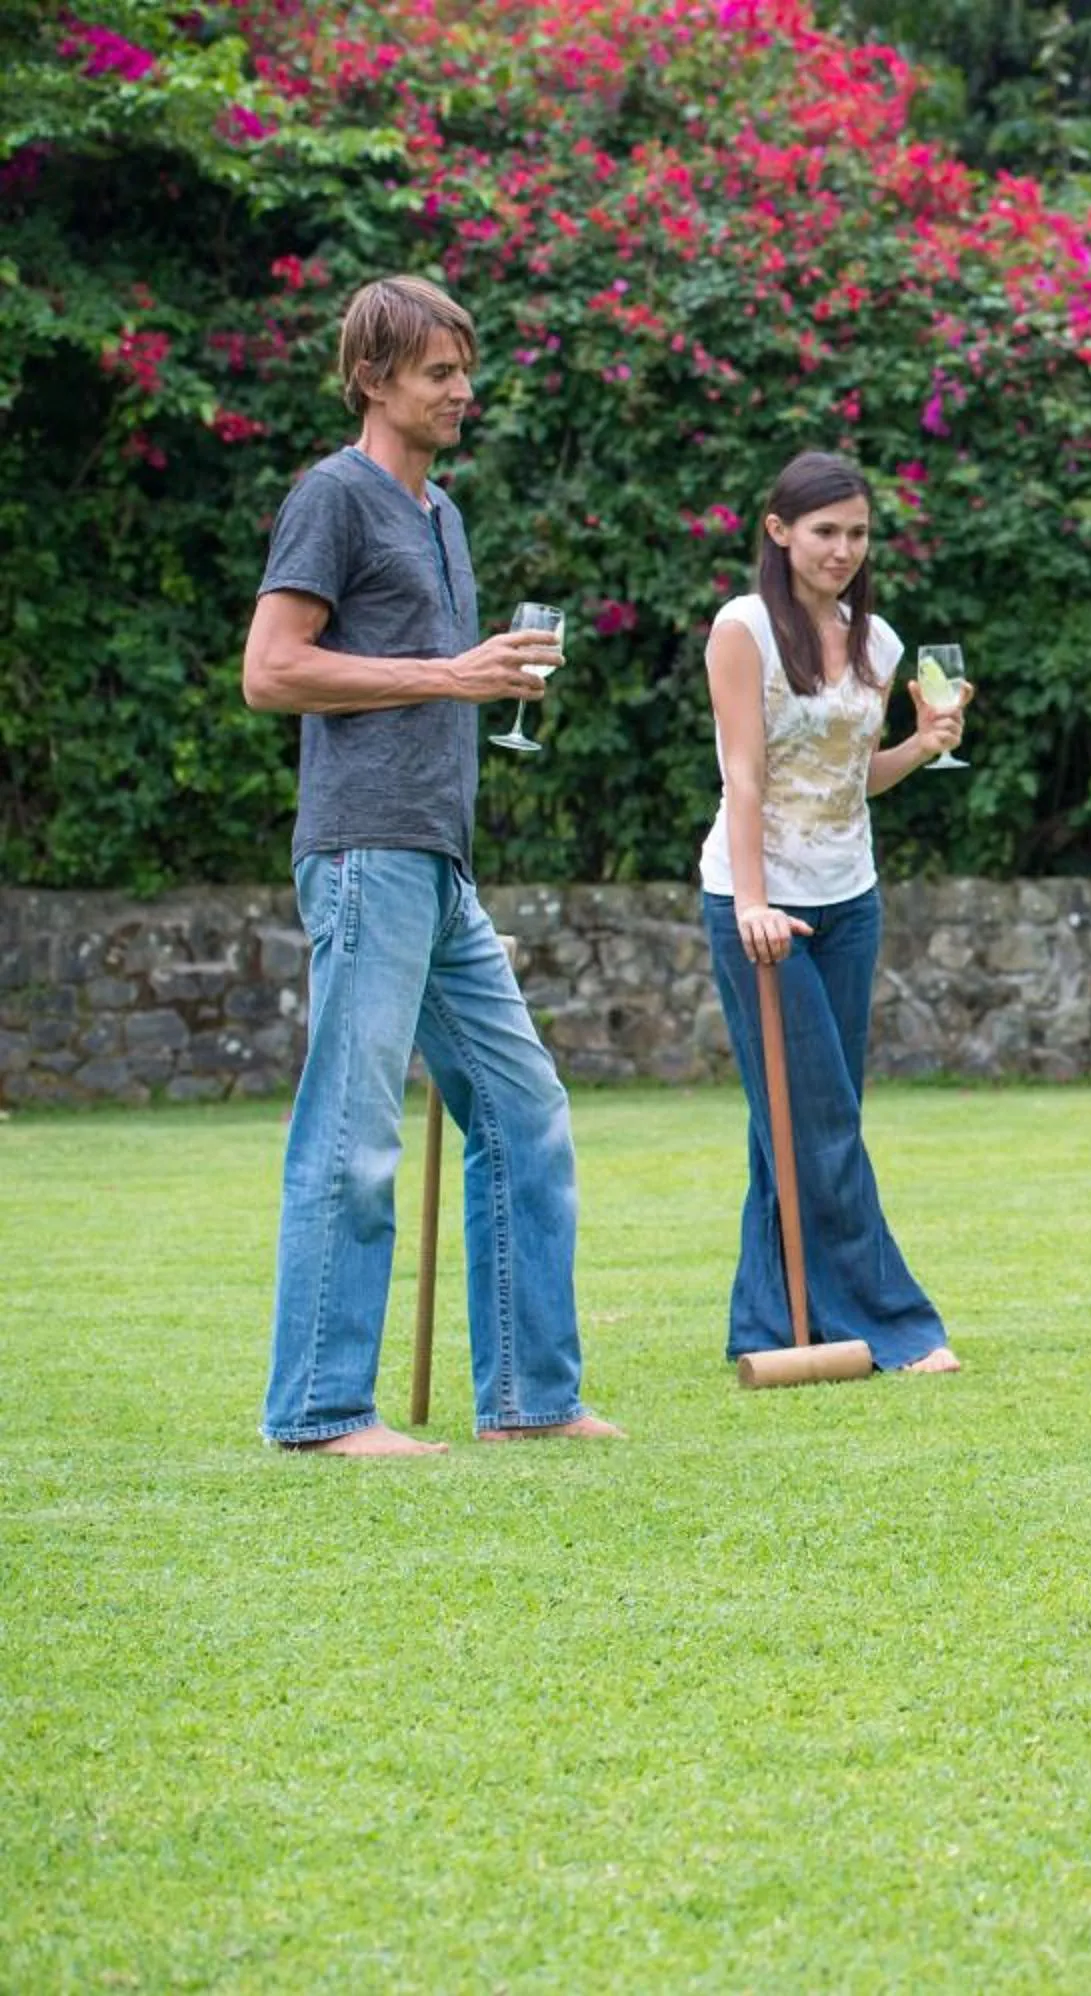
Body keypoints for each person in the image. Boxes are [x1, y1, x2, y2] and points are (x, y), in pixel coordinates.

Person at [240, 275, 620, 1453]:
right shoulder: (332, 498)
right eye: (439, 372)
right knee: (354, 1134)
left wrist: (473, 675)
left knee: (524, 1110)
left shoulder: (442, 513)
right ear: (372, 378)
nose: (465, 389)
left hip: (439, 859)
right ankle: (319, 1408)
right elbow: (272, 671)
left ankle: (527, 1399)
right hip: (363, 850)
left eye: (465, 367)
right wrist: (453, 673)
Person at [698, 451, 965, 1374]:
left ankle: (768, 1327)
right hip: (761, 907)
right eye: (824, 532)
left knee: (803, 1116)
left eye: (856, 533)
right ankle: (895, 1325)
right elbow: (746, 774)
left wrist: (923, 746)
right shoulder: (743, 632)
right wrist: (754, 902)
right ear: (779, 532)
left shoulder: (878, 643)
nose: (842, 549)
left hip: (851, 897)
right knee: (819, 1124)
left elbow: (857, 779)